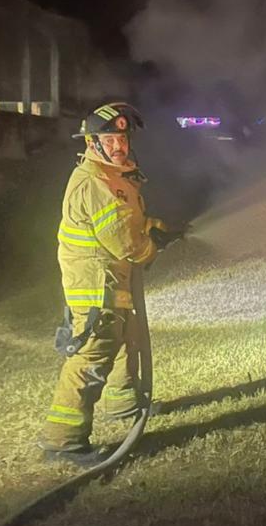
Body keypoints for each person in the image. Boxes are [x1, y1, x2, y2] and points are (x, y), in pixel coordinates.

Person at [39, 101, 181, 467]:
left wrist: (156, 228)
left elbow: (128, 223)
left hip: (108, 278)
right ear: (91, 143)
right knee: (93, 354)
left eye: (122, 137)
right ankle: (63, 441)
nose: (119, 145)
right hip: (94, 284)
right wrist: (151, 247)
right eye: (110, 139)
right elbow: (125, 242)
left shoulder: (113, 177)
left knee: (125, 337)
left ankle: (122, 404)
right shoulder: (96, 183)